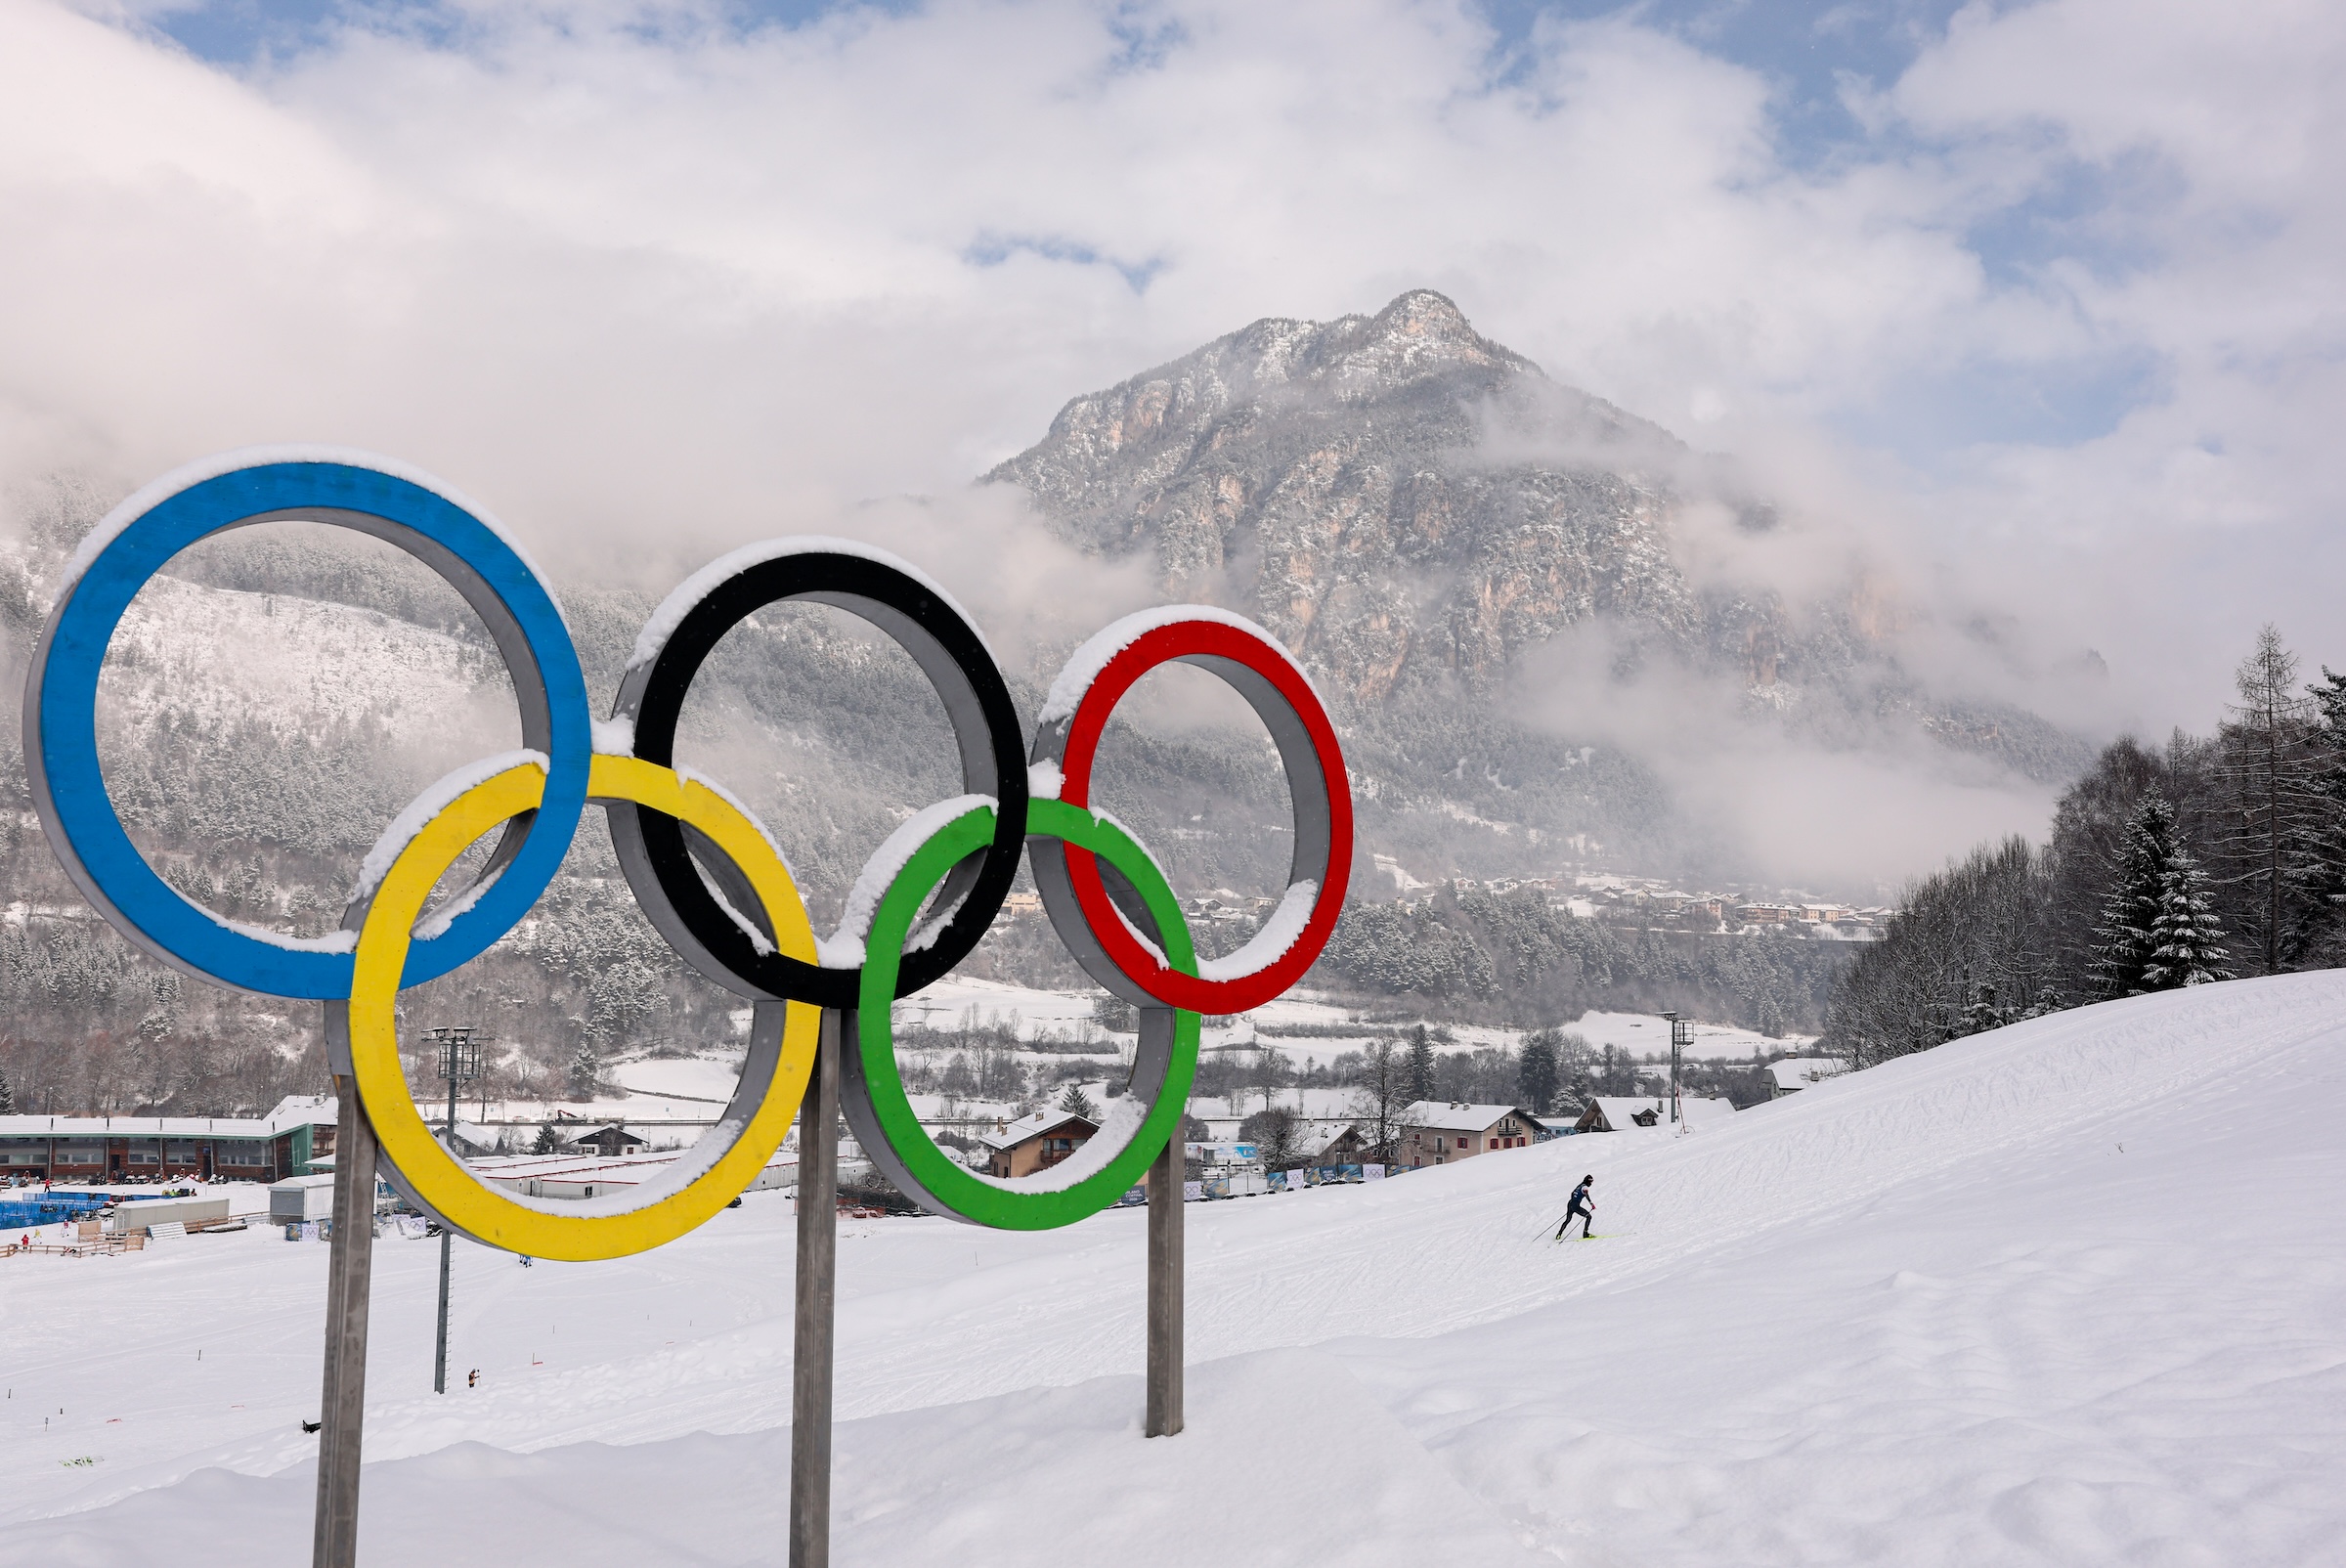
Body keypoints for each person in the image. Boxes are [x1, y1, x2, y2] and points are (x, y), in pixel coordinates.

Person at [1555, 1174, 1595, 1240]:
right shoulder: (1585, 1187)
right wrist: (1592, 1204)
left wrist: (1572, 1204)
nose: (1591, 1183)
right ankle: (1585, 1234)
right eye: (1591, 1181)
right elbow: (1586, 1195)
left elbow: (1572, 1193)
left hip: (1570, 1203)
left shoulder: (1579, 1186)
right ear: (1588, 1181)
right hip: (1575, 1206)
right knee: (1589, 1216)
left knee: (1567, 1220)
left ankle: (1559, 1234)